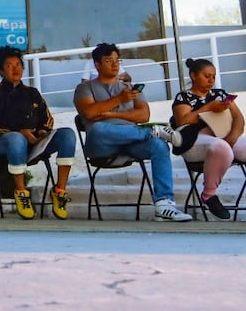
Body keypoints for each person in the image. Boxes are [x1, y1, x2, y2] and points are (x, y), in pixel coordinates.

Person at [73, 42, 193, 222]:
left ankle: (164, 203)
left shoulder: (130, 88)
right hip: (103, 145)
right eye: (108, 61)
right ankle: (152, 132)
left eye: (116, 60)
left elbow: (144, 115)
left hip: (131, 142)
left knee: (159, 145)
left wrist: (107, 113)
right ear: (97, 64)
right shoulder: (85, 88)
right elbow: (89, 112)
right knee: (98, 128)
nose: (115, 64)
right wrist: (119, 100)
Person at [172, 57, 246, 221]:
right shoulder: (184, 97)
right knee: (220, 147)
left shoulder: (219, 94)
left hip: (224, 136)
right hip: (195, 141)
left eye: (213, 76)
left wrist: (233, 136)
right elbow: (182, 120)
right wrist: (208, 108)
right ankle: (208, 195)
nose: (211, 80)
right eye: (206, 76)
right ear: (193, 76)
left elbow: (239, 118)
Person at [0, 46, 76, 220]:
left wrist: (42, 131)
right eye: (9, 65)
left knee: (67, 134)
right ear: (1, 71)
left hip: (34, 144)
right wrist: (20, 132)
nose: (15, 69)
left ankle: (60, 191)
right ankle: (21, 192)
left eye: (18, 64)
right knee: (16, 139)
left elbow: (47, 119)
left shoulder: (32, 93)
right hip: (5, 144)